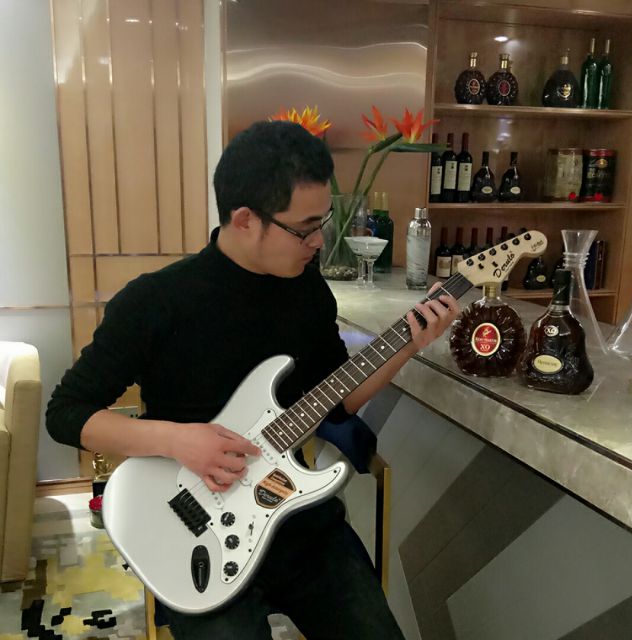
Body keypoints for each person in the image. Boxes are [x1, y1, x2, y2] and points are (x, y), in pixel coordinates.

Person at [46, 120, 460, 640]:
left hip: (297, 525)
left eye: (323, 222)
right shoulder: (156, 301)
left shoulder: (306, 290)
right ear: (245, 219)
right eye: (305, 228)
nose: (319, 241)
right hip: (194, 529)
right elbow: (65, 413)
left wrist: (407, 345)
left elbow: (335, 401)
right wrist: (178, 439)